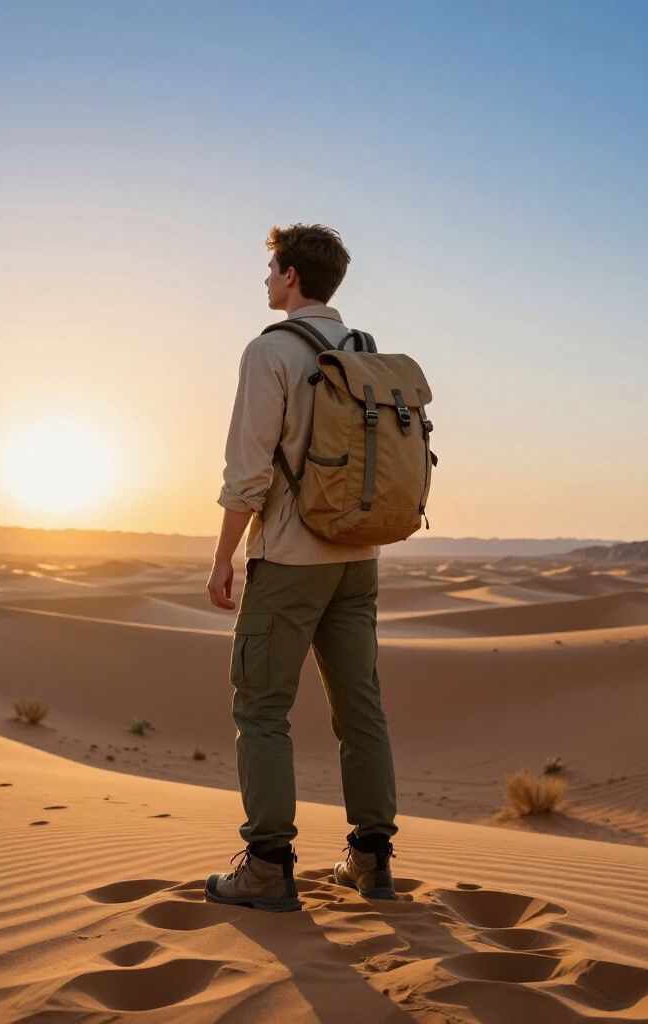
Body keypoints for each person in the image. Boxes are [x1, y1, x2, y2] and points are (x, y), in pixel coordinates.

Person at [204, 223, 398, 913]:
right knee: (361, 711)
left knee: (260, 709)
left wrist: (223, 558)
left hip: (290, 557)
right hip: (361, 558)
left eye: (270, 269)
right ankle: (371, 862)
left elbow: (248, 474)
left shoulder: (272, 352)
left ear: (291, 277)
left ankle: (265, 867)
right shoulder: (366, 350)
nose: (264, 281)